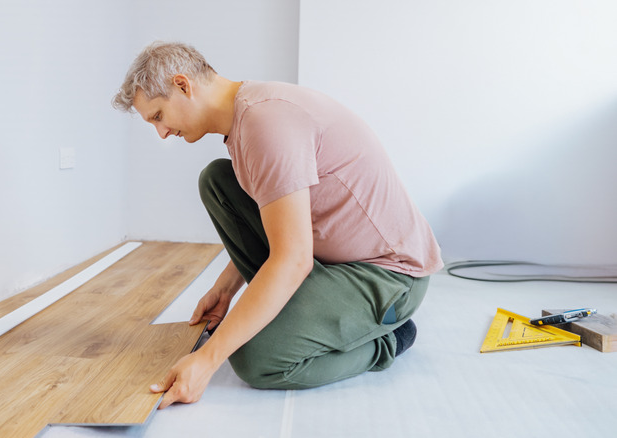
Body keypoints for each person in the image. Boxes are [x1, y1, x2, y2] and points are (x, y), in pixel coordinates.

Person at [112, 41, 443, 409]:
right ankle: (299, 311)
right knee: (217, 181)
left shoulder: (265, 123)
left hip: (389, 277)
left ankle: (388, 340)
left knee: (256, 359)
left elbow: (293, 257)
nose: (162, 132)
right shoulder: (245, 119)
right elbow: (281, 225)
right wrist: (226, 289)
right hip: (333, 262)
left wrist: (207, 361)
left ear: (183, 85)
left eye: (158, 116)